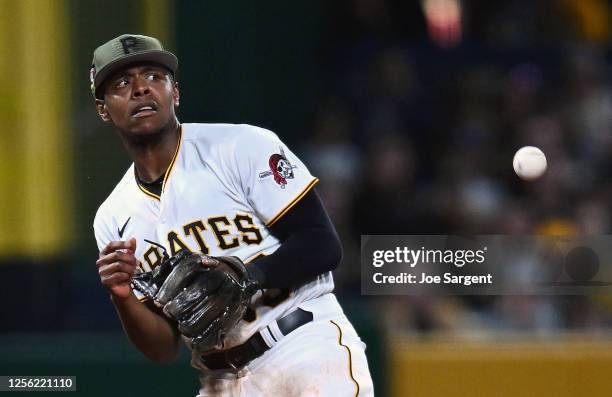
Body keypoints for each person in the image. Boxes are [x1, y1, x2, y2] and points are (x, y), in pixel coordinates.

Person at [92, 34, 374, 396]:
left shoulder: (241, 147)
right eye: (121, 83)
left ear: (174, 93)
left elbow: (322, 244)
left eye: (153, 76)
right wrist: (121, 296)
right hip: (220, 380)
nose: (141, 89)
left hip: (303, 346)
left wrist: (249, 275)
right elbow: (163, 349)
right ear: (103, 108)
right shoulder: (113, 217)